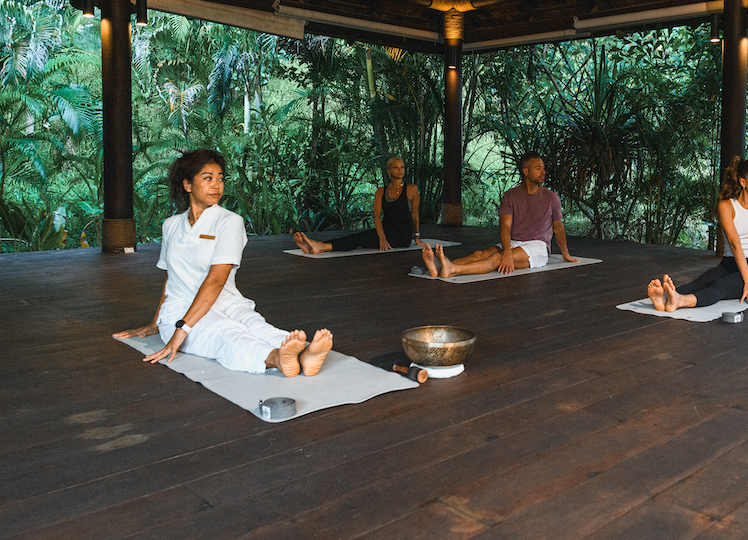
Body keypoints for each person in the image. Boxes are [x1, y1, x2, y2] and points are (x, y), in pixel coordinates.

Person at [115, 149, 333, 377]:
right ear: (187, 185)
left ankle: (305, 355)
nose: (216, 185)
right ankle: (276, 358)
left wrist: (182, 329)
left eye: (220, 178)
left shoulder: (230, 221)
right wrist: (160, 323)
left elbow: (217, 280)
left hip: (227, 302)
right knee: (225, 332)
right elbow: (171, 278)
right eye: (208, 178)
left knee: (255, 326)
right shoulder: (171, 225)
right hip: (180, 310)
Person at [648, 156, 748, 312]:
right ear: (743, 182)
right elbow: (734, 243)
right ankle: (664, 298)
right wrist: (747, 279)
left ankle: (680, 301)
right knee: (702, 282)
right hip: (729, 264)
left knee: (721, 286)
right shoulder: (727, 206)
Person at [422, 152, 577, 278]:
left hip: (537, 247)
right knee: (480, 254)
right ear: (526, 171)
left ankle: (453, 269)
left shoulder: (551, 197)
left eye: (543, 168)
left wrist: (566, 254)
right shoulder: (511, 195)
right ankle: (439, 266)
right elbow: (505, 227)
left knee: (497, 258)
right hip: (514, 242)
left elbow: (558, 227)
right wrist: (508, 251)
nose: (543, 172)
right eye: (538, 168)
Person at [292, 157, 421, 254]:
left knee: (361, 240)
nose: (400, 170)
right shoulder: (381, 191)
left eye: (402, 167)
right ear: (388, 170)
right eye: (396, 167)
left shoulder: (411, 189)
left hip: (401, 236)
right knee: (358, 236)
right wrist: (382, 237)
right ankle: (317, 244)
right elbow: (376, 216)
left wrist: (416, 237)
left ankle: (321, 247)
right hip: (386, 230)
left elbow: (414, 215)